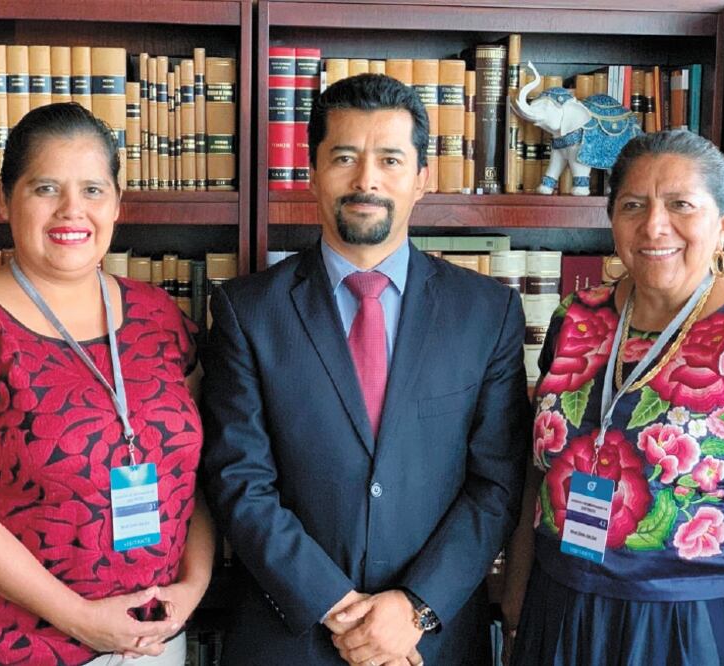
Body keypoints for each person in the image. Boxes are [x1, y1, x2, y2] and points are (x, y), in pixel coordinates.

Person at [200, 73, 529, 666]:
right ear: (311, 171)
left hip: (432, 640)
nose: (366, 180)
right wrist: (337, 605)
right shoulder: (247, 310)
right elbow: (239, 480)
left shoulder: (488, 311)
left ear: (422, 178)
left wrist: (414, 608)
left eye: (390, 159)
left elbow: (498, 483)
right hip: (290, 637)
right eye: (344, 157)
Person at [501, 130, 724, 666]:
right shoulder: (574, 318)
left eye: (681, 205)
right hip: (564, 609)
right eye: (633, 206)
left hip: (699, 627)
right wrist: (518, 599)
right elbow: (535, 470)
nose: (654, 226)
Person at [0, 103, 215, 666]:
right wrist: (83, 620)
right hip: (18, 643)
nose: (72, 210)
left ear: (117, 202)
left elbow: (194, 477)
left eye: (92, 189)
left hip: (155, 636)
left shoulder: (159, 316)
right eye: (45, 188)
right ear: (2, 198)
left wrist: (194, 587)